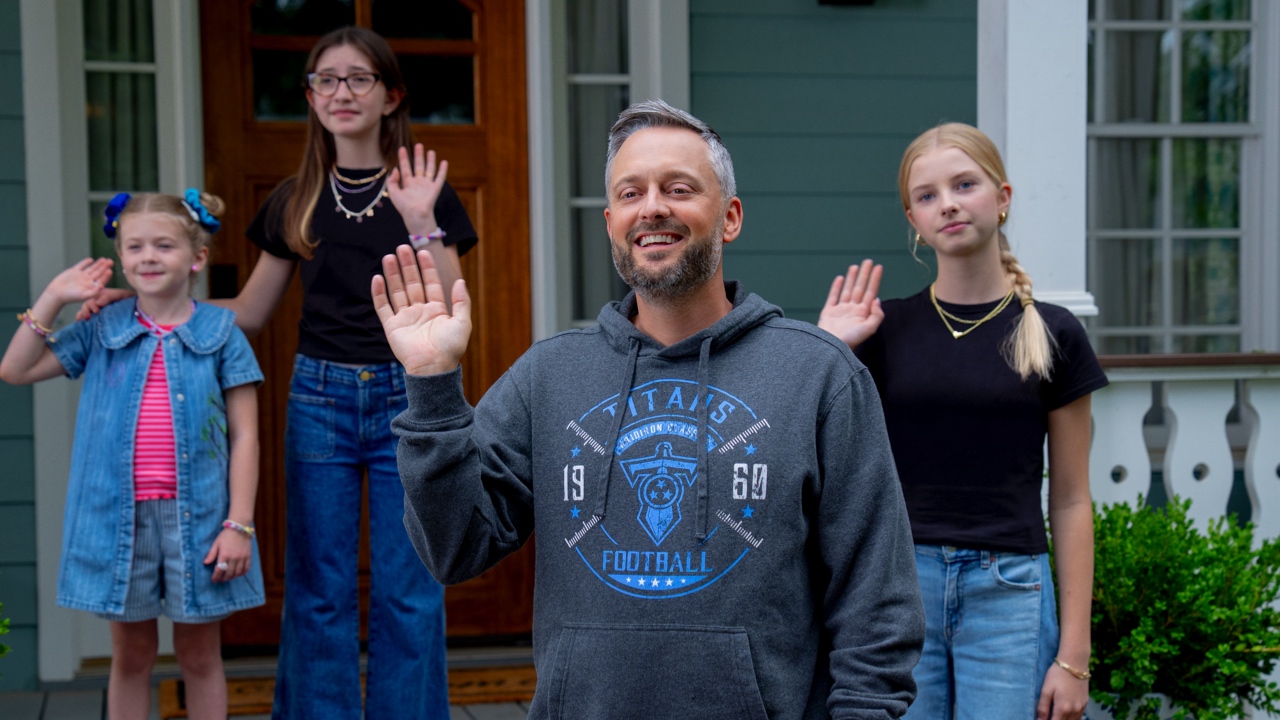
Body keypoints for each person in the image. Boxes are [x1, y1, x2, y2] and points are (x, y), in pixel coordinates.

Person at [372, 99, 925, 719]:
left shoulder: (819, 375)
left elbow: (876, 600)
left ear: (730, 217)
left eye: (679, 189)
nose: (652, 208)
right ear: (612, 223)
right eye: (631, 193)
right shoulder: (548, 375)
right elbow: (454, 549)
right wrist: (432, 386)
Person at [80, 25, 477, 719]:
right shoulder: (296, 197)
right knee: (320, 586)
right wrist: (143, 305)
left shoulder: (425, 192)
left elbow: (450, 307)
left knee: (410, 585)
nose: (342, 91)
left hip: (407, 399)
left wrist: (421, 220)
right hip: (321, 399)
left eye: (359, 78)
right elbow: (250, 313)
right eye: (326, 79)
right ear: (311, 97)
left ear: (391, 96)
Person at [816, 123, 1103, 720]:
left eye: (964, 184)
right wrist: (828, 349)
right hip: (901, 587)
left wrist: (1074, 656)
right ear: (914, 220)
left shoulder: (1054, 333)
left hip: (1011, 593)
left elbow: (1073, 499)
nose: (947, 203)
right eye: (927, 195)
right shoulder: (881, 330)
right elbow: (818, 465)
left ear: (1002, 197)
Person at [0, 191, 264, 720]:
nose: (148, 257)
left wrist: (239, 524)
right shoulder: (102, 328)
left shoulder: (222, 335)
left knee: (199, 655)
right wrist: (54, 296)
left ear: (197, 257)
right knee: (132, 654)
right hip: (121, 520)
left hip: (202, 520)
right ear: (120, 257)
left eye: (164, 245)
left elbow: (245, 437)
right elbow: (16, 369)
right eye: (135, 246)